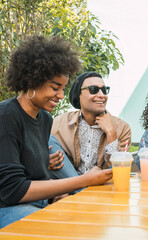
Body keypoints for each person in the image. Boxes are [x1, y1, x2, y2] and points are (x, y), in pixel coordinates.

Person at [0, 36, 112, 229]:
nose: (60, 96)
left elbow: (30, 170)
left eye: (62, 89)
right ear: (32, 80)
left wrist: (54, 192)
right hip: (7, 208)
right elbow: (13, 190)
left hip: (39, 203)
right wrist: (82, 180)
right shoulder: (6, 115)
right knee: (57, 227)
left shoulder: (45, 119)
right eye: (54, 88)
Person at [49, 72, 131, 177]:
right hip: (68, 187)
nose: (102, 95)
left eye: (104, 90)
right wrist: (47, 163)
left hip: (103, 188)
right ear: (78, 95)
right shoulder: (59, 123)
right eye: (94, 89)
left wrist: (111, 134)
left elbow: (119, 171)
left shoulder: (122, 128)